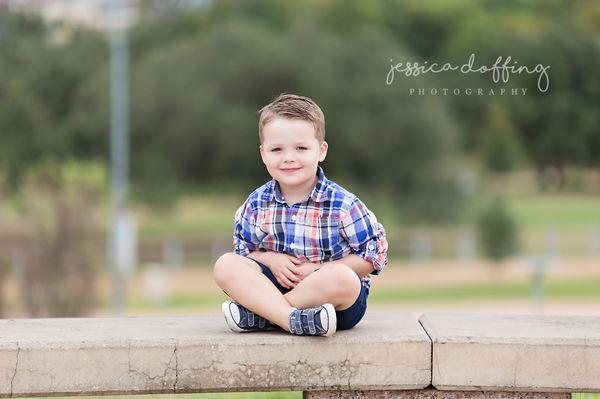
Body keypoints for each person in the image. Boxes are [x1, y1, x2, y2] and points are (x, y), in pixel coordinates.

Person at [213, 93, 388, 337]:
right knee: (225, 265)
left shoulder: (342, 204)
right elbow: (244, 252)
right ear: (263, 154)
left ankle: (266, 316)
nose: (288, 158)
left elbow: (373, 256)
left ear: (321, 150)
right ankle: (290, 319)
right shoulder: (255, 204)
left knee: (342, 277)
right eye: (276, 149)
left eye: (301, 148)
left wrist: (318, 269)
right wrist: (271, 260)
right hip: (275, 288)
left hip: (334, 304)